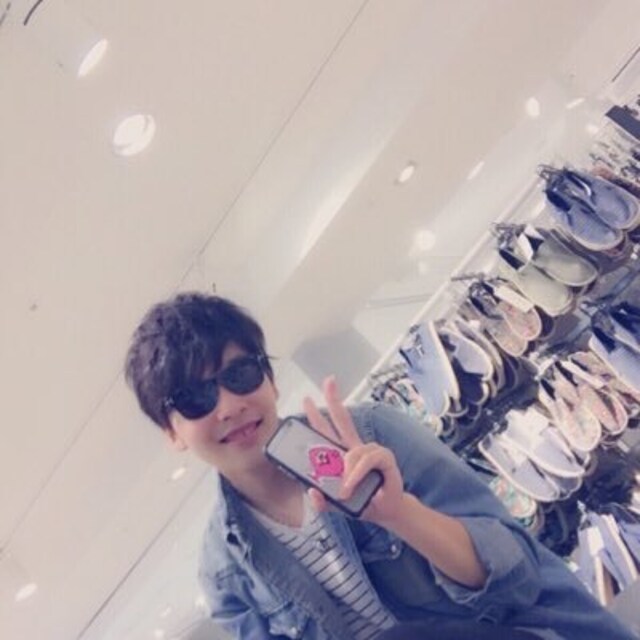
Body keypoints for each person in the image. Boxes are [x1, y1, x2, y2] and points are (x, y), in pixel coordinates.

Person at [125, 292, 635, 640]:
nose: (229, 406)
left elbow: (517, 576)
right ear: (172, 433)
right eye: (193, 399)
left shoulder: (374, 434)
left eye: (240, 374)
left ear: (270, 379)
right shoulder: (225, 572)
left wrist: (399, 514)